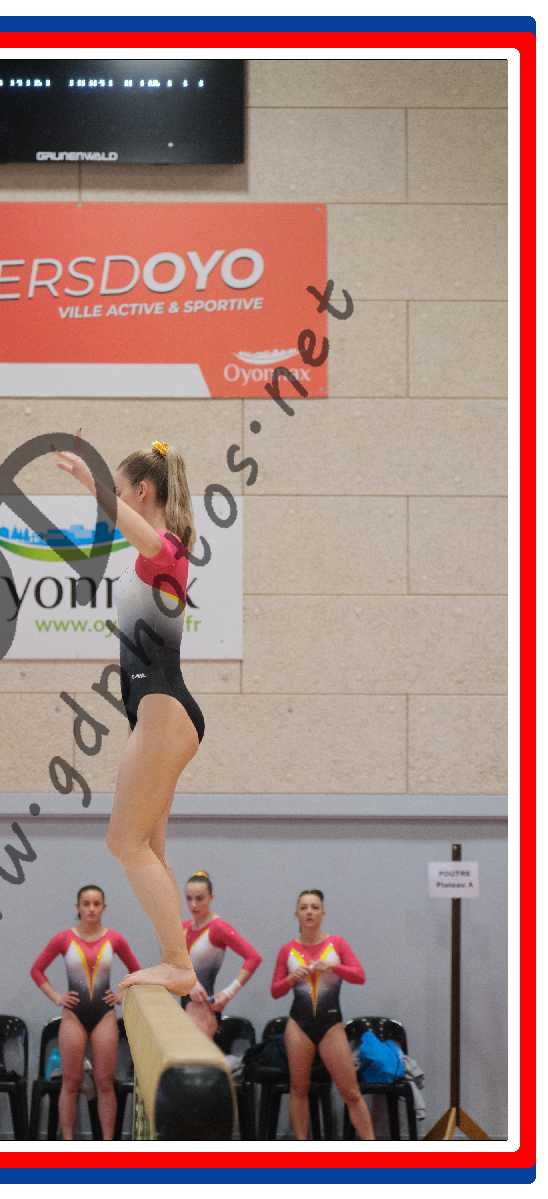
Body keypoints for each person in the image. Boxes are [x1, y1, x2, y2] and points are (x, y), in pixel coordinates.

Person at [54, 436, 204, 997]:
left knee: (124, 843)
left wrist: (88, 482)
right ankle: (174, 960)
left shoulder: (166, 551)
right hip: (155, 714)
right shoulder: (159, 555)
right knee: (149, 850)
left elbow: (143, 536)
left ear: (142, 492)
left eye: (120, 492)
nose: (115, 501)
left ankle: (177, 963)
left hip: (164, 710)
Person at [30, 884, 140, 1140]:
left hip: (104, 1015)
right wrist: (57, 997)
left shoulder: (115, 939)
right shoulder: (63, 939)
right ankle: (68, 1142)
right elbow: (36, 970)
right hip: (74, 1016)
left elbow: (137, 971)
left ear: (104, 908)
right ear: (77, 907)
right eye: (86, 904)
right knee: (71, 1081)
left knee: (104, 1082)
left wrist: (122, 994)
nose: (91, 909)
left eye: (96, 904)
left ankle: (108, 1143)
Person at [270, 889, 375, 1140]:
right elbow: (275, 991)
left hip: (330, 1025)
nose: (309, 912)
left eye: (314, 907)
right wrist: (290, 979)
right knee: (299, 1088)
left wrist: (334, 967)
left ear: (323, 913)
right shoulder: (287, 950)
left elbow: (360, 976)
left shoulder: (337, 944)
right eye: (304, 907)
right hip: (299, 1025)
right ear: (296, 913)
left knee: (351, 1092)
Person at [181, 870, 262, 1039]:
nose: (193, 905)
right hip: (184, 1003)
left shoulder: (218, 928)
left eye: (199, 898)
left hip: (203, 1007)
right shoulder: (183, 927)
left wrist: (228, 993)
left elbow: (254, 958)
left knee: (197, 1055)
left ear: (211, 898)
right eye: (189, 898)